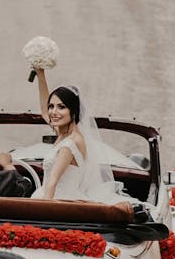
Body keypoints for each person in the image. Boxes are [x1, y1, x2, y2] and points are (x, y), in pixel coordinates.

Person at [31, 68, 119, 201]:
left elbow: (53, 181)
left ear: (73, 112)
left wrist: (43, 213)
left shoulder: (70, 143)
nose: (54, 112)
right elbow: (44, 111)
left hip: (59, 201)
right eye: (52, 106)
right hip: (52, 196)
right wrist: (40, 74)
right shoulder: (64, 133)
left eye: (61, 107)